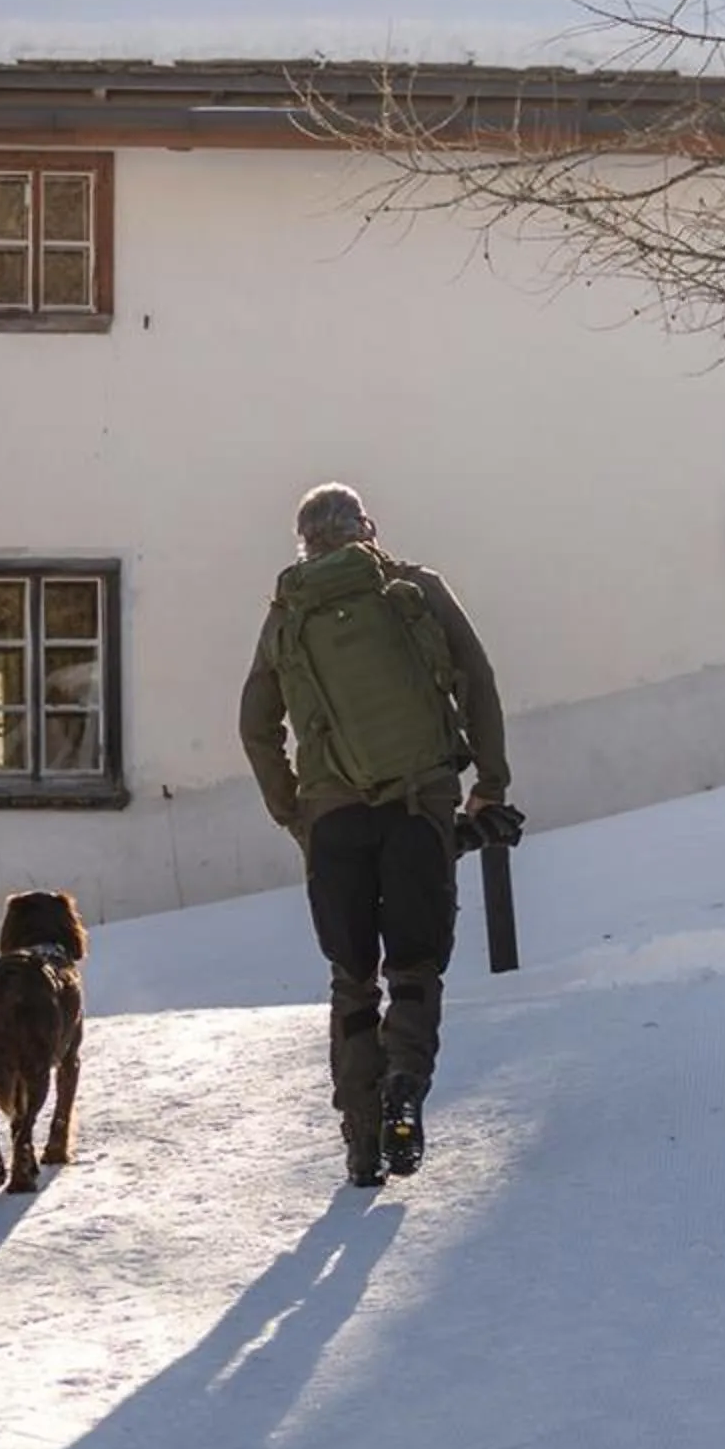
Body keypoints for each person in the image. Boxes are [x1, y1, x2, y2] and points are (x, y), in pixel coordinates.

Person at [239, 484, 509, 1189]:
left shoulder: (287, 617)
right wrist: (491, 783)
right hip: (419, 806)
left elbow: (256, 727)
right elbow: (476, 677)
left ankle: (361, 1139)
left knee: (352, 978)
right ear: (368, 529)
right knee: (415, 968)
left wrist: (294, 813)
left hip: (333, 820)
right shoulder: (413, 588)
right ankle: (405, 1086)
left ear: (303, 544)